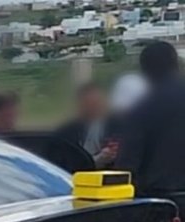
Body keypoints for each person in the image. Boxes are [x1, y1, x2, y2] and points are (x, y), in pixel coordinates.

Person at [117, 41, 185, 202]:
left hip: (164, 204)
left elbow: (127, 166)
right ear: (176, 64)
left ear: (145, 72)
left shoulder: (142, 109)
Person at [55, 82, 118, 168]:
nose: (95, 107)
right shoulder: (66, 132)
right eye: (89, 104)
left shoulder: (117, 126)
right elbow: (62, 163)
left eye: (97, 103)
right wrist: (97, 160)